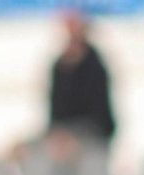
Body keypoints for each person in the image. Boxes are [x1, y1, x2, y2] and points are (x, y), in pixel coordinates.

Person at [46, 11, 116, 160]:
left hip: (91, 131)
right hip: (63, 131)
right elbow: (55, 111)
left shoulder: (94, 65)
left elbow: (100, 113)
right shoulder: (59, 66)